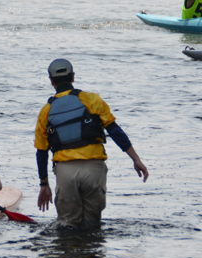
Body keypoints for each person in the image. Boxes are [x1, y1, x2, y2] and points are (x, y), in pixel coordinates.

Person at [35, 58, 149, 230]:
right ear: (73, 77)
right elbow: (115, 131)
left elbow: (41, 152)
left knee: (67, 225)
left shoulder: (46, 111)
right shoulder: (92, 99)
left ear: (51, 81)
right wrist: (136, 159)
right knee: (93, 225)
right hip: (93, 169)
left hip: (65, 171)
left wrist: (44, 184)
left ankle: (67, 255)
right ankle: (92, 254)